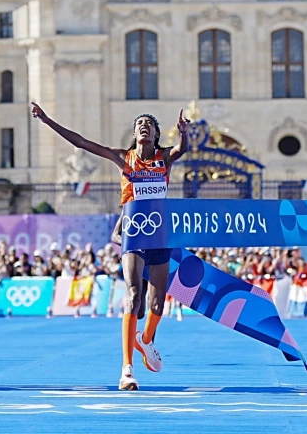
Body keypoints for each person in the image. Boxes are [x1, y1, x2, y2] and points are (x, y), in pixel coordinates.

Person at [31, 102, 190, 390]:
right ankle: (127, 369)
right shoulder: (123, 158)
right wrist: (46, 120)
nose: (144, 127)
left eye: (149, 125)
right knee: (133, 295)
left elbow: (182, 149)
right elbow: (81, 142)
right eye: (140, 124)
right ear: (134, 133)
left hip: (158, 235)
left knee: (157, 303)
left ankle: (146, 339)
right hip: (134, 234)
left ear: (156, 135)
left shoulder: (164, 158)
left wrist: (184, 133)